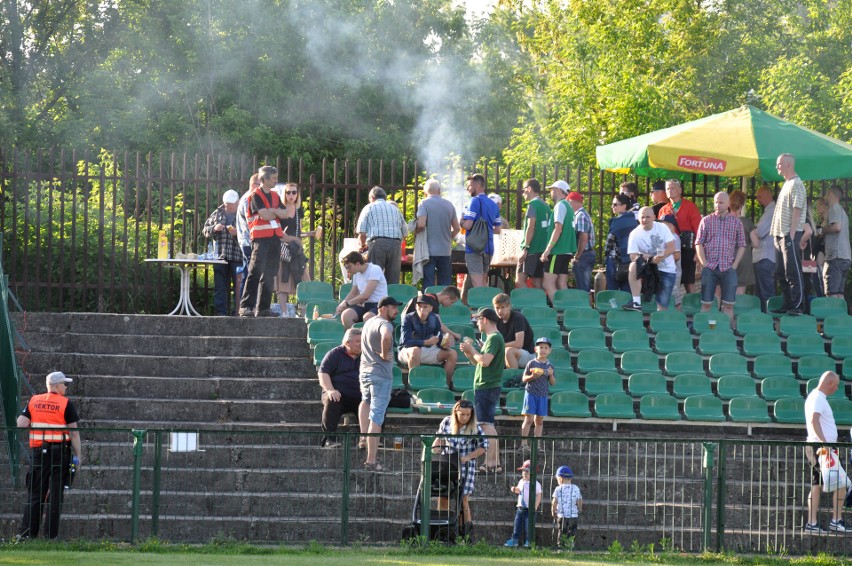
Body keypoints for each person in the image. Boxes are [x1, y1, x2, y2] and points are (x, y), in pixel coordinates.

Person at [17, 371, 82, 541]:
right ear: (57, 386)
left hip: (39, 454)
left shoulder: (34, 400)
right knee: (55, 496)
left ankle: (27, 535)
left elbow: (21, 424)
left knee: (35, 494)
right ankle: (50, 537)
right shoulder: (65, 403)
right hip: (59, 454)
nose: (66, 387)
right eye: (64, 384)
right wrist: (78, 456)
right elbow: (74, 433)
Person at [431, 399, 488, 540]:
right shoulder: (446, 422)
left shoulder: (475, 427)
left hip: (466, 467)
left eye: (468, 415)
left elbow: (484, 446)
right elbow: (438, 440)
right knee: (443, 496)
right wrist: (432, 451)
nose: (465, 418)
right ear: (456, 412)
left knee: (464, 500)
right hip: (447, 465)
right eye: (462, 414)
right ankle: (442, 530)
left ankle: (467, 534)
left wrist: (468, 457)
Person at [239, 166, 289, 317]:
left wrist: (272, 211)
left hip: (274, 239)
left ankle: (263, 308)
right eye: (273, 178)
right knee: (255, 271)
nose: (276, 180)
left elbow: (285, 213)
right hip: (260, 239)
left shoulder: (274, 195)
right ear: (265, 179)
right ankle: (246, 306)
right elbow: (264, 215)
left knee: (269, 273)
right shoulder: (255, 196)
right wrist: (275, 212)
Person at [460, 307, 505, 473]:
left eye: (478, 320)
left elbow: (485, 361)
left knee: (486, 426)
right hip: (486, 385)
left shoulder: (494, 338)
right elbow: (478, 362)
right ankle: (496, 463)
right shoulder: (492, 339)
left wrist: (473, 350)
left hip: (487, 385)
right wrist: (469, 353)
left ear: (484, 319)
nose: (477, 324)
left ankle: (490, 463)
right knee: (488, 425)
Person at [359, 296, 401, 471]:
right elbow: (386, 336)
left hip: (365, 372)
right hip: (380, 375)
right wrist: (384, 355)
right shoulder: (386, 324)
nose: (396, 311)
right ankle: (371, 460)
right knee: (376, 417)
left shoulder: (369, 322)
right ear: (382, 308)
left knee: (365, 402)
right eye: (393, 307)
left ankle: (363, 438)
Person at [803, 371, 848, 533]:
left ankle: (813, 523)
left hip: (819, 447)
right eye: (835, 385)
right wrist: (825, 443)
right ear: (829, 383)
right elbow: (814, 420)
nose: (836, 389)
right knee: (842, 482)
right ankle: (835, 520)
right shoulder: (818, 398)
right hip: (823, 448)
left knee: (817, 484)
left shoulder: (816, 397)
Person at [695, 192, 746, 322]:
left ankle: (726, 332)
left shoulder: (736, 223)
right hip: (710, 267)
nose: (718, 205)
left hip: (728, 267)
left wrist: (734, 265)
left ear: (728, 204)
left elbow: (742, 245)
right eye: (716, 202)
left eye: (721, 202)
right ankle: (708, 330)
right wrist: (704, 263)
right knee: (706, 304)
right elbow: (698, 243)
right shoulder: (706, 220)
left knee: (728, 305)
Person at [770, 153, 808, 315]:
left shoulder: (796, 184)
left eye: (779, 164)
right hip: (780, 234)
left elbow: (797, 209)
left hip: (789, 234)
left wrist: (792, 233)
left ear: (788, 165)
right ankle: (788, 303)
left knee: (792, 271)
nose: (777, 167)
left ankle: (797, 306)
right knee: (781, 272)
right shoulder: (787, 183)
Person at [274, 182, 317, 316]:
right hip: (283, 248)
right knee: (283, 279)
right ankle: (284, 312)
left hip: (296, 248)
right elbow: (277, 230)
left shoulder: (299, 210)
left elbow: (298, 232)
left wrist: (309, 234)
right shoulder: (280, 209)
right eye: (288, 192)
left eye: (294, 192)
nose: (291, 195)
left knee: (304, 279)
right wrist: (288, 237)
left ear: (297, 194)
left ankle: (303, 313)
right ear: (284, 194)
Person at [623, 207, 677, 311]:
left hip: (666, 269)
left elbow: (671, 247)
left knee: (662, 304)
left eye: (647, 217)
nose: (645, 220)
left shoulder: (662, 227)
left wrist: (657, 257)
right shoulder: (634, 233)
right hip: (648, 268)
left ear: (654, 217)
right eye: (642, 217)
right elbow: (632, 256)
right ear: (638, 218)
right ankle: (636, 302)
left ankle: (659, 324)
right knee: (633, 265)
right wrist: (648, 259)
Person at [399, 294, 457, 388]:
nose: (421, 310)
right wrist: (425, 342)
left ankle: (444, 385)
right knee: (415, 350)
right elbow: (405, 342)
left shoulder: (434, 319)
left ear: (430, 308)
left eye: (425, 307)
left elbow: (438, 339)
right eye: (419, 307)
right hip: (407, 351)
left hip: (429, 350)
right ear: (416, 307)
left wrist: (443, 345)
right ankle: (415, 385)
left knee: (452, 353)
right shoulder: (408, 318)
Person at [318, 328, 362, 449]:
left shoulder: (366, 356)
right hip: (339, 395)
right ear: (347, 343)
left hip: (359, 396)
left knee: (376, 402)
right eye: (358, 341)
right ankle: (329, 439)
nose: (361, 344)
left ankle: (370, 439)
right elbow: (323, 374)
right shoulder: (334, 354)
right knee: (332, 400)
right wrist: (330, 390)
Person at [202, 189, 244, 316]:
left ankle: (237, 312)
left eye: (232, 205)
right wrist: (214, 228)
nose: (230, 207)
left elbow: (249, 234)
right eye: (227, 205)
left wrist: (238, 233)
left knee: (239, 286)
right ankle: (221, 313)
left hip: (237, 256)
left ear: (237, 202)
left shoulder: (242, 214)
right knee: (220, 287)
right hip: (220, 256)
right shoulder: (217, 213)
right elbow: (205, 230)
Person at [356, 186, 408, 285]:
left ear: (372, 197)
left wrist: (363, 246)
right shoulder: (395, 209)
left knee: (374, 277)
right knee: (393, 280)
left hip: (377, 244)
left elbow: (362, 233)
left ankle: (375, 300)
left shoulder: (368, 207)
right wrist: (397, 242)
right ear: (384, 197)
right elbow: (405, 232)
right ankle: (391, 299)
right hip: (396, 245)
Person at [658, 179, 702, 294]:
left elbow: (699, 229)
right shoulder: (663, 209)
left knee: (689, 283)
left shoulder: (690, 206)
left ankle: (691, 308)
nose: (670, 191)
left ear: (680, 190)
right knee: (670, 280)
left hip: (687, 249)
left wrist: (698, 251)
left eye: (672, 188)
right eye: (668, 188)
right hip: (670, 249)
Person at [415, 179, 460, 288]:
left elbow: (421, 225)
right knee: (444, 284)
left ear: (425, 192)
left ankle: (429, 304)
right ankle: (444, 304)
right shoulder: (449, 204)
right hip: (445, 250)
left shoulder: (424, 203)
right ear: (439, 190)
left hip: (429, 251)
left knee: (429, 283)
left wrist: (415, 230)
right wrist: (449, 237)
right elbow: (457, 228)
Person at [461, 174, 502, 288]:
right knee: (484, 282)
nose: (467, 189)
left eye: (469, 186)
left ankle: (481, 306)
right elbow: (498, 230)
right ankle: (486, 304)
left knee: (477, 284)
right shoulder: (493, 205)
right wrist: (485, 230)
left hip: (474, 248)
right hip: (488, 248)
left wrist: (461, 222)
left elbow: (468, 225)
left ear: (477, 185)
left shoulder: (474, 201)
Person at [540, 180, 577, 304]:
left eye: (552, 189)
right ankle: (568, 309)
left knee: (547, 283)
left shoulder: (560, 205)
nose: (551, 192)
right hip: (566, 251)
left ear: (558, 190)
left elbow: (558, 229)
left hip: (557, 250)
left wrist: (548, 249)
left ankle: (560, 308)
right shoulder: (569, 207)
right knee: (561, 283)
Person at [518, 337, 555, 453]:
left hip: (543, 395)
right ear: (535, 349)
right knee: (528, 419)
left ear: (550, 351)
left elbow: (553, 383)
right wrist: (533, 376)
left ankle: (537, 445)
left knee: (539, 421)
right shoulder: (532, 363)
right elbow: (524, 379)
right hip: (531, 394)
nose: (543, 350)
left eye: (546, 348)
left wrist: (551, 375)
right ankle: (523, 444)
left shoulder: (550, 366)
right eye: (541, 347)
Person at [336, 251, 388, 330]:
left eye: (349, 267)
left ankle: (367, 341)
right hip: (365, 306)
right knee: (346, 315)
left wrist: (347, 304)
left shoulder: (374, 269)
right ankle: (355, 340)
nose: (348, 270)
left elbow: (366, 296)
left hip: (380, 305)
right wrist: (342, 304)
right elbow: (353, 292)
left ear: (357, 264)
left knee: (368, 317)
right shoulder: (356, 274)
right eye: (346, 268)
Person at [515, 178, 550, 290]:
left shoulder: (532, 205)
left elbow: (531, 226)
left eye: (524, 189)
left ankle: (525, 305)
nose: (522, 192)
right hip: (543, 250)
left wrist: (525, 248)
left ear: (529, 189)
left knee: (519, 280)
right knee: (538, 282)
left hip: (532, 249)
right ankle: (538, 306)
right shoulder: (546, 206)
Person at [503, 459, 543, 548]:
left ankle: (529, 541)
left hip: (530, 509)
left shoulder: (536, 484)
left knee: (528, 527)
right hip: (520, 508)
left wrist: (535, 507)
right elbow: (519, 490)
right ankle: (515, 540)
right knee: (517, 525)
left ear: (533, 473)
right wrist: (514, 489)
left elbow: (538, 495)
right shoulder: (521, 481)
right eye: (523, 471)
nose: (524, 473)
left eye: (527, 471)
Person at [604, 193, 638, 292]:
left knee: (613, 289)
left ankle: (614, 307)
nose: (612, 207)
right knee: (627, 289)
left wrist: (606, 257)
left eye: (615, 204)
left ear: (624, 206)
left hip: (615, 260)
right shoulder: (634, 220)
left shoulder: (616, 222)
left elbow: (609, 242)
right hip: (631, 260)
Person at [750, 185, 777, 311]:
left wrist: (753, 230)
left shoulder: (771, 211)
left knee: (765, 293)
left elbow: (759, 232)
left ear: (768, 195)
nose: (758, 200)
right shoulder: (769, 211)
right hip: (766, 256)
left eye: (760, 197)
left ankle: (768, 319)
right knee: (763, 292)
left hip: (765, 256)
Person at [821, 185, 851, 299]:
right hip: (845, 256)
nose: (825, 197)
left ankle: (831, 315)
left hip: (835, 256)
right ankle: (841, 317)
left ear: (831, 194)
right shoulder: (842, 211)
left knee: (831, 293)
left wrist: (822, 231)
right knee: (839, 293)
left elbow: (837, 227)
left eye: (826, 194)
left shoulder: (834, 208)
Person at [492, 293, 535, 369]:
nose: (499, 311)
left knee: (508, 351)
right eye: (497, 308)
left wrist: (498, 345)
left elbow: (519, 344)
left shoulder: (518, 318)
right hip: (506, 352)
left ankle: (514, 379)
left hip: (528, 355)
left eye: (502, 307)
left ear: (509, 306)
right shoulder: (496, 320)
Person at [236, 174, 260, 298]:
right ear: (254, 185)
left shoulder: (247, 197)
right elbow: (251, 221)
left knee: (248, 273)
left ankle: (245, 306)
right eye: (260, 185)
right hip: (248, 241)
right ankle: (246, 305)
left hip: (246, 241)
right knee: (250, 274)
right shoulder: (248, 199)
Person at [566, 191, 595, 293]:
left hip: (584, 255)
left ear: (572, 202)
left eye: (568, 202)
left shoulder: (580, 216)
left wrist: (577, 256)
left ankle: (585, 308)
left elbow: (583, 238)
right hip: (586, 254)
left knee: (583, 288)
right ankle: (587, 307)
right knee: (583, 286)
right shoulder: (581, 215)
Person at [728, 190, 755, 296]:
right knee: (740, 291)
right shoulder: (747, 222)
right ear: (742, 204)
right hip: (744, 258)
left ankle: (723, 310)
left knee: (725, 287)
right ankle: (738, 311)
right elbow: (756, 243)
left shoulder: (724, 220)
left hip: (728, 257)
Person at [552, 465, 582, 548]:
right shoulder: (576, 488)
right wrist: (579, 508)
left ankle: (560, 545)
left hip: (562, 515)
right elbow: (579, 500)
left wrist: (553, 510)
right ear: (571, 478)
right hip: (573, 515)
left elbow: (554, 501)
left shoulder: (558, 489)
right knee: (573, 530)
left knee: (562, 530)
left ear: (561, 478)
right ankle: (571, 544)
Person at [659, 214, 683, 309]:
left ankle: (678, 319)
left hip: (674, 273)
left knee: (674, 298)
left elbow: (677, 256)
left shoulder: (674, 237)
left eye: (663, 225)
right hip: (666, 272)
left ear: (671, 225)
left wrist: (661, 257)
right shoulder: (666, 237)